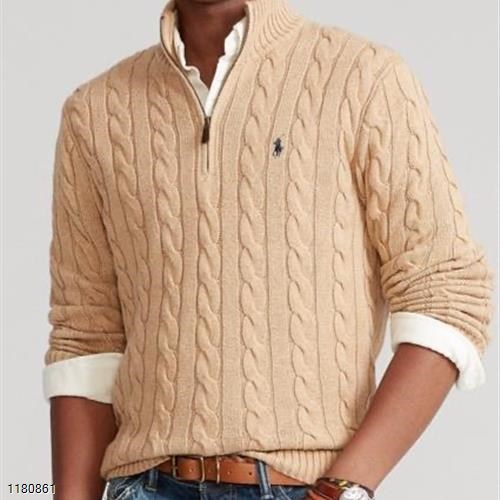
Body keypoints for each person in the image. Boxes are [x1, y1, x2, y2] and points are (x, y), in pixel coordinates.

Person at [42, 0, 495, 498]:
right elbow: (86, 335)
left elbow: (446, 294)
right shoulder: (95, 112)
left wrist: (342, 488)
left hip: (301, 487)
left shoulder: (363, 77)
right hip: (143, 485)